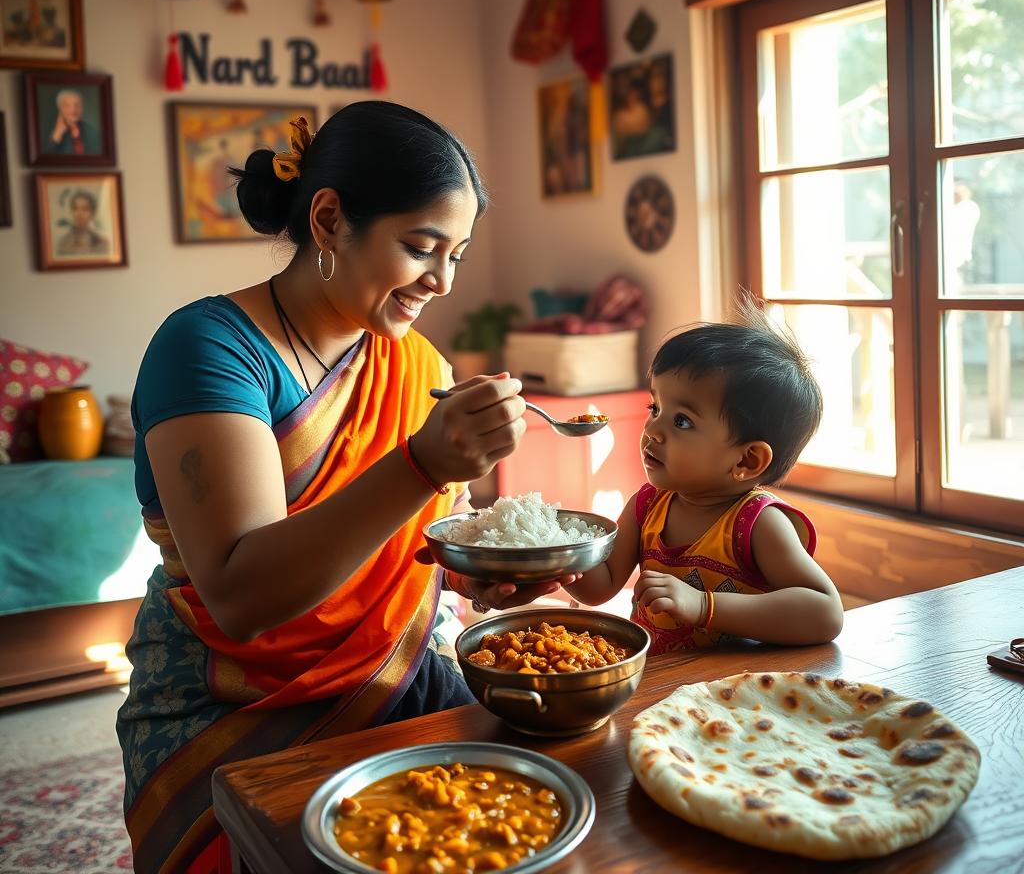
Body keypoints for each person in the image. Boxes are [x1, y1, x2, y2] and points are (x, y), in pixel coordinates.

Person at [116, 102, 571, 874]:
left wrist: (485, 571)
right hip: (231, 706)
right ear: (329, 219)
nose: (442, 280)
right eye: (421, 247)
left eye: (456, 255)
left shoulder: (418, 366)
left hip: (402, 673)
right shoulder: (207, 349)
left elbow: (415, 552)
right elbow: (241, 594)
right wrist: (423, 464)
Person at [568, 296, 844, 653]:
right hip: (657, 686)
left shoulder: (756, 524)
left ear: (746, 460)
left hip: (731, 692)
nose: (653, 428)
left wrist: (702, 605)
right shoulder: (648, 507)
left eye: (682, 420)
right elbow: (599, 587)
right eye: (655, 407)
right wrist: (559, 554)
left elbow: (825, 613)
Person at [56, 188, 109, 256]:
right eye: (75, 208)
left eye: (85, 209)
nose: (79, 214)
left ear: (92, 213)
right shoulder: (63, 243)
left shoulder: (102, 243)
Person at [50, 88, 101, 156]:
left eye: (77, 105)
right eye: (67, 106)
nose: (73, 110)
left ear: (82, 108)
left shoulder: (92, 132)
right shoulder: (50, 130)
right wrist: (56, 136)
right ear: (60, 109)